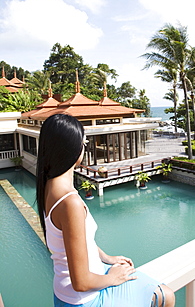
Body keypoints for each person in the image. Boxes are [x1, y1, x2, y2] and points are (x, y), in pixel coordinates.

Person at [36, 113, 175, 307]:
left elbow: (76, 241)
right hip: (86, 300)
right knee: (165, 296)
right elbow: (81, 282)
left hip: (64, 293)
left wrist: (107, 258)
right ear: (72, 149)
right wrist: (113, 277)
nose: (84, 148)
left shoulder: (48, 188)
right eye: (83, 143)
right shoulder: (70, 203)